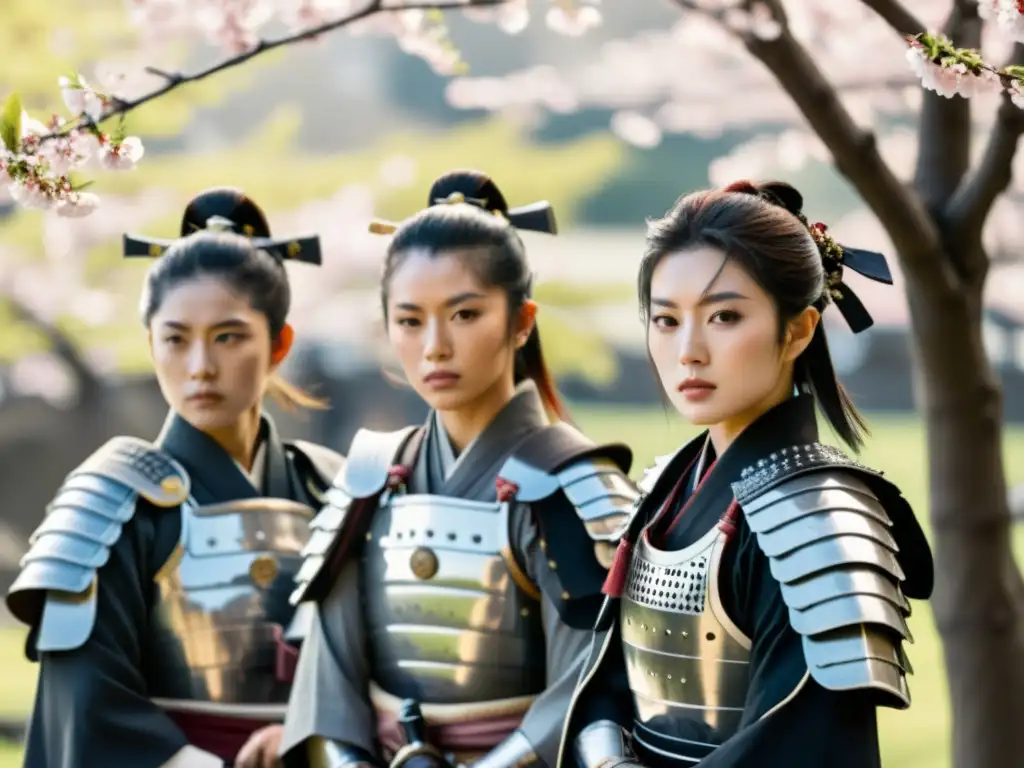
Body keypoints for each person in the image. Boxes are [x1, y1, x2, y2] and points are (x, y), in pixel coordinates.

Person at [558, 181, 935, 768]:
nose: (688, 350)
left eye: (725, 316)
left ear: (799, 330)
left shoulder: (822, 520)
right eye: (665, 320)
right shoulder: (665, 489)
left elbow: (802, 742)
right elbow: (601, 683)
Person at [279, 170, 639, 768]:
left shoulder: (574, 485)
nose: (435, 346)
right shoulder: (367, 478)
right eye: (410, 319)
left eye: (465, 315)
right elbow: (329, 684)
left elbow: (589, 686)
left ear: (522, 321)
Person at [7, 188, 343, 768]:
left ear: (280, 343)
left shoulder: (329, 488)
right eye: (176, 339)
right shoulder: (110, 500)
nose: (199, 367)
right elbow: (85, 704)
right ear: (150, 344)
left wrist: (319, 733)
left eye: (228, 337)